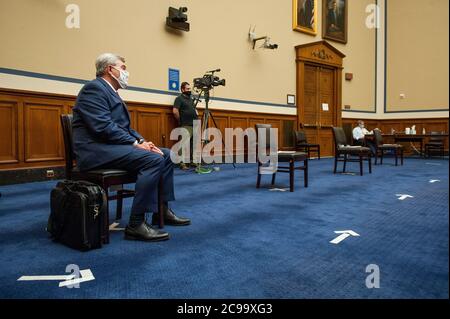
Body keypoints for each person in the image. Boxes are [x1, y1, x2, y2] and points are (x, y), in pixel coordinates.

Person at [72, 53, 191, 242]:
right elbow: (102, 127)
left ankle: (162, 210)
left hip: (111, 148)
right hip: (95, 151)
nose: (126, 72)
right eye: (123, 68)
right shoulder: (93, 89)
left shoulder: (110, 91)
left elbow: (124, 128)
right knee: (153, 159)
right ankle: (136, 223)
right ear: (110, 69)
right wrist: (136, 144)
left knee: (167, 154)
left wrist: (143, 141)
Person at [173, 82, 198, 170]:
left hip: (194, 124)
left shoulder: (191, 99)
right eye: (187, 89)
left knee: (193, 144)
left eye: (189, 89)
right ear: (183, 89)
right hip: (186, 124)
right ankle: (181, 162)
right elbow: (175, 111)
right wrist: (180, 121)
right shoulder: (179, 99)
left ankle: (192, 161)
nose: (189, 90)